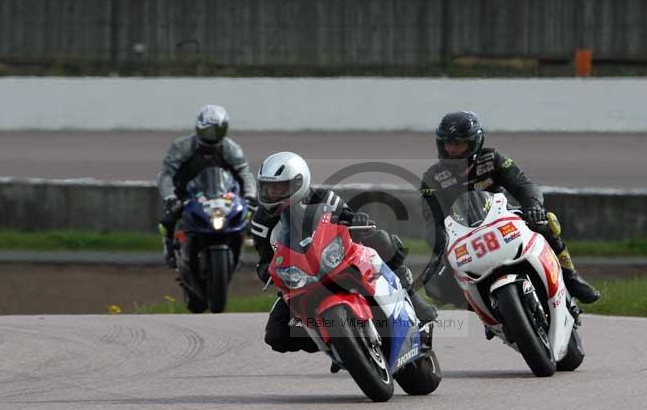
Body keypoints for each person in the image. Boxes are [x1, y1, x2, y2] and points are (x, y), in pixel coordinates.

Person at [251, 151, 438, 357]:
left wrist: (359, 221)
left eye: (279, 187)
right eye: (268, 187)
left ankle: (411, 296)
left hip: (335, 259)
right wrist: (268, 272)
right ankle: (338, 346)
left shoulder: (322, 197)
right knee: (276, 335)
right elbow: (264, 261)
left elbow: (350, 218)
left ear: (298, 183)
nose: (273, 193)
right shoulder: (260, 221)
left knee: (381, 240)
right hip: (299, 279)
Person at [420, 110, 601, 312]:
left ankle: (571, 277)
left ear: (474, 142)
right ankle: (485, 309)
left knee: (546, 221)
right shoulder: (432, 178)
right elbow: (431, 220)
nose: (452, 150)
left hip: (503, 221)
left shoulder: (492, 158)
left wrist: (533, 206)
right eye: (448, 143)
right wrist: (440, 244)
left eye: (459, 143)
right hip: (463, 238)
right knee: (432, 284)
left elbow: (524, 185)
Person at [156, 105, 257, 268]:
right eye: (209, 130)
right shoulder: (182, 146)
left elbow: (245, 173)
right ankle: (168, 245)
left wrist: (250, 196)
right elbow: (166, 174)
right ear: (199, 127)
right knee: (167, 220)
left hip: (222, 196)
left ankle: (243, 248)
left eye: (218, 130)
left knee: (248, 218)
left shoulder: (231, 148)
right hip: (187, 196)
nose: (213, 135)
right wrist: (170, 197)